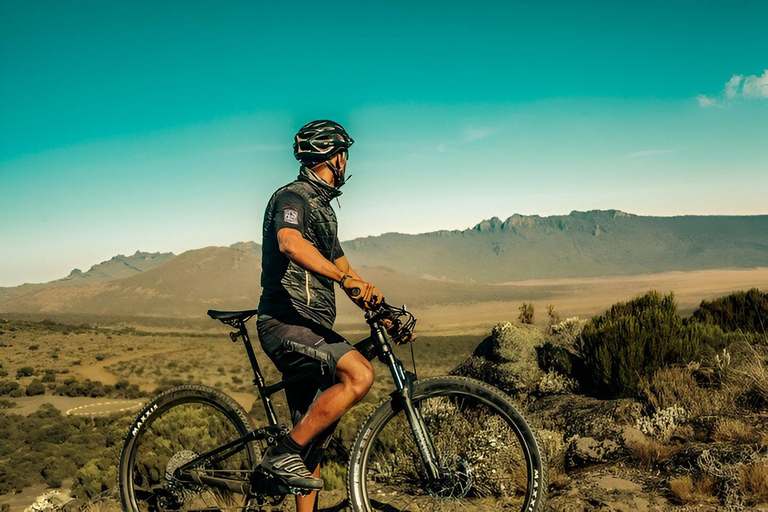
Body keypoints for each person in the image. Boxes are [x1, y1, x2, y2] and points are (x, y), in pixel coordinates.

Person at [256, 120, 383, 512]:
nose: (346, 162)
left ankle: (291, 453)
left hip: (311, 326)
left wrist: (383, 308)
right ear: (333, 155)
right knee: (359, 374)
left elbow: (348, 271)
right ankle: (282, 453)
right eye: (345, 153)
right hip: (284, 322)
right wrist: (344, 277)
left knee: (312, 439)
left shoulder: (325, 213)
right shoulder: (292, 198)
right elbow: (289, 243)